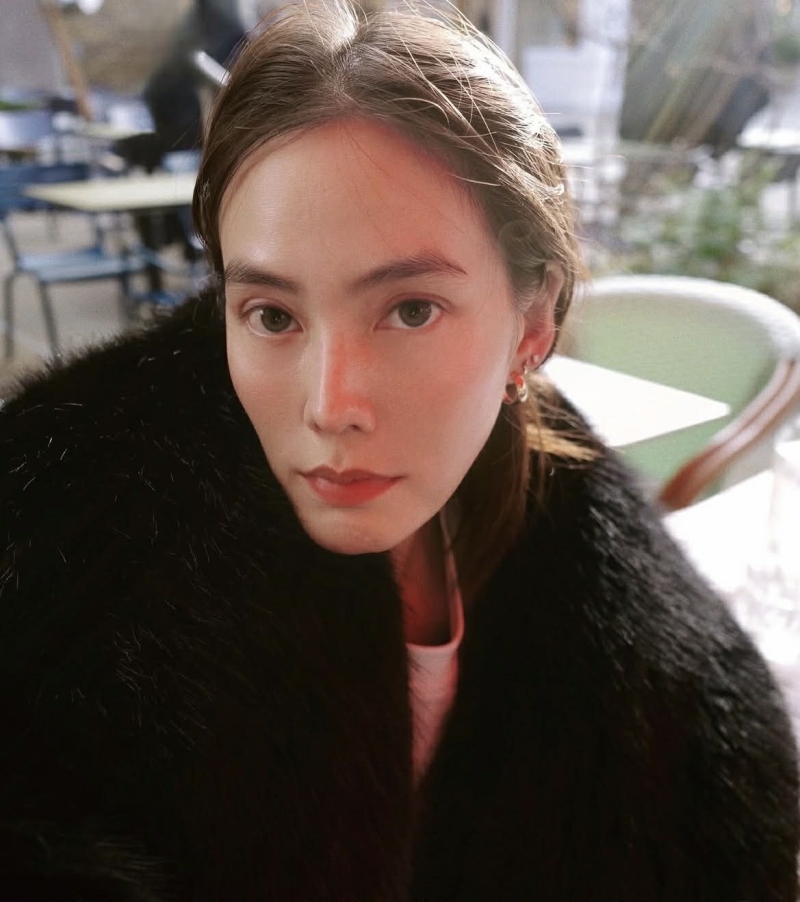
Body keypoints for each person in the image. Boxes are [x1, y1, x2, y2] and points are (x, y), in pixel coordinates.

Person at [0, 2, 798, 899]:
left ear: (534, 324)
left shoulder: (603, 581)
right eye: (271, 315)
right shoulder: (55, 553)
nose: (330, 405)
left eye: (411, 309)